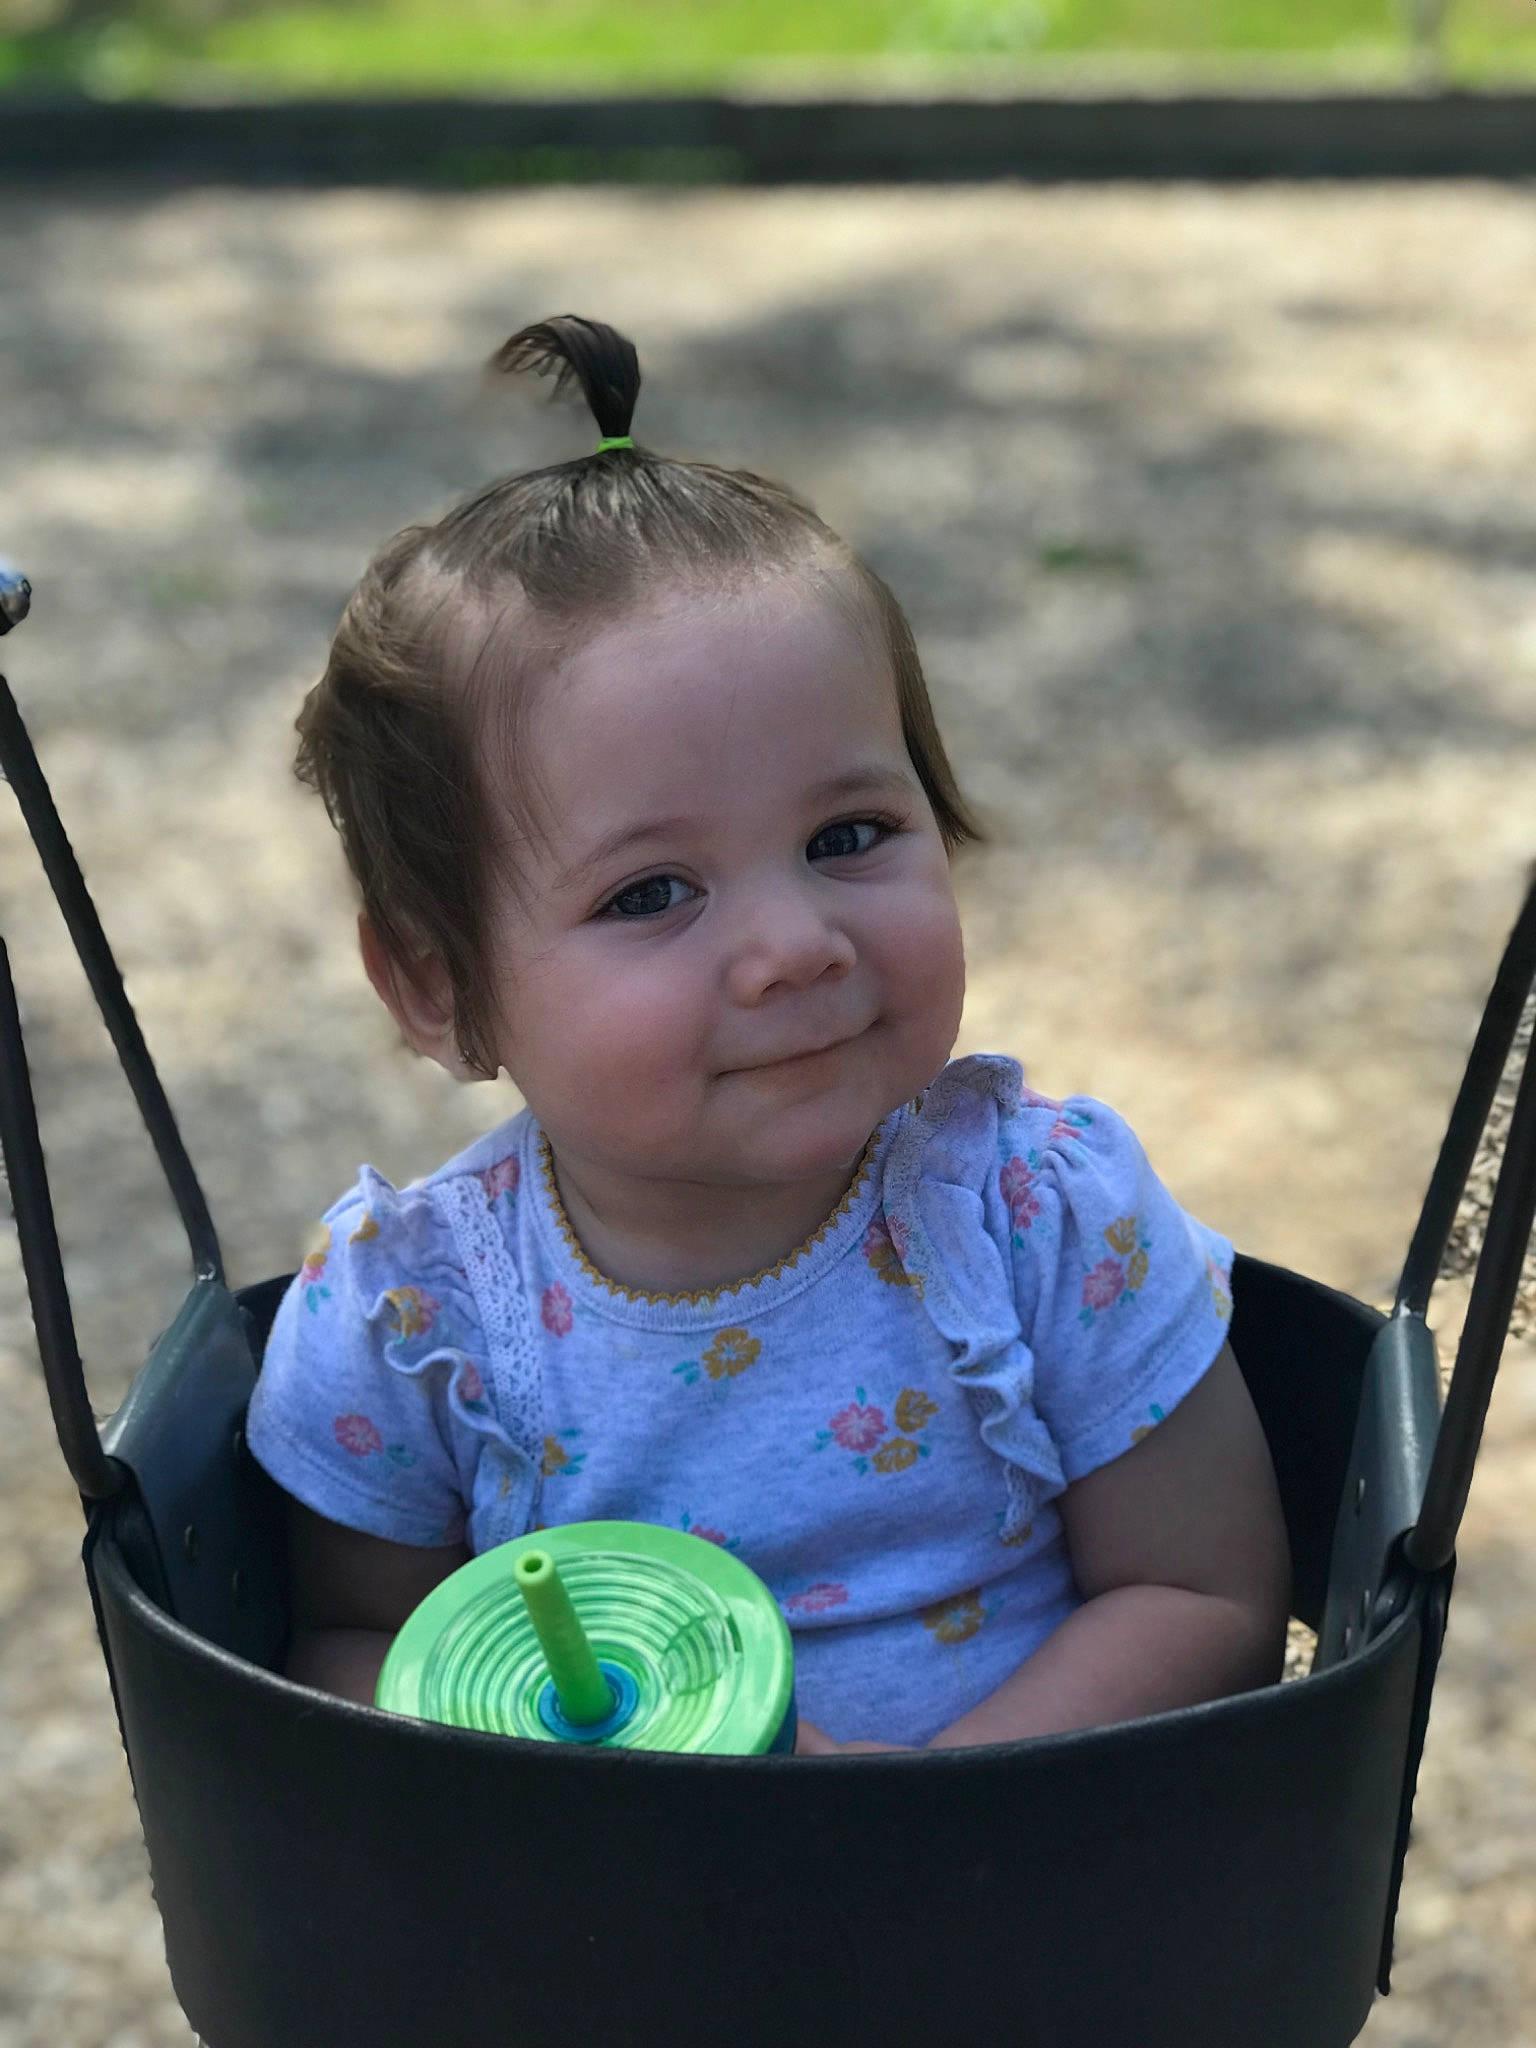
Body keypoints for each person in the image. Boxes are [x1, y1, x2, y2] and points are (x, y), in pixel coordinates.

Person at [246, 314, 1289, 1754]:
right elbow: (360, 1643)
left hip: (1032, 1912)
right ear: (438, 988)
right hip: (621, 1948)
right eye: (653, 892)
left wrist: (898, 1825)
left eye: (850, 833)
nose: (796, 945)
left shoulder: (1042, 1217)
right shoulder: (413, 1323)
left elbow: (1203, 1592)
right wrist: (586, 1815)